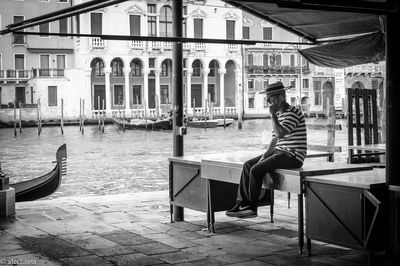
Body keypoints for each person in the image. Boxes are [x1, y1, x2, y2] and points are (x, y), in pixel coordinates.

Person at [226, 81, 307, 218]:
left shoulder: (293, 112)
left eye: (270, 97)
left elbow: (281, 133)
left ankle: (252, 208)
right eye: (267, 97)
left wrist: (272, 115)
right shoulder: (279, 114)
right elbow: (274, 140)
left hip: (293, 156)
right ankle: (242, 203)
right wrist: (264, 157)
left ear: (281, 97)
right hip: (280, 152)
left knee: (256, 170)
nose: (267, 100)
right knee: (248, 165)